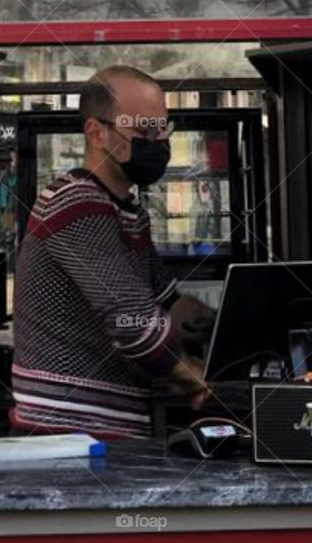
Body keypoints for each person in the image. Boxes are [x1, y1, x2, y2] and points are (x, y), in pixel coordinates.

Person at [12, 65, 211, 438]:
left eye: (162, 130)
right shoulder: (76, 204)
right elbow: (133, 321)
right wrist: (192, 379)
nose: (156, 143)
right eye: (143, 131)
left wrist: (225, 323)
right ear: (96, 132)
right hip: (68, 435)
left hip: (104, 427)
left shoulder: (125, 210)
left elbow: (168, 303)